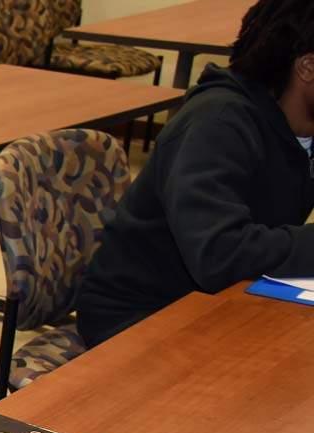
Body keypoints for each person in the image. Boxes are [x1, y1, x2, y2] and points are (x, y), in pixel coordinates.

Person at [77, 0, 314, 347]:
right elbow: (220, 253)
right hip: (140, 314)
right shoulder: (215, 124)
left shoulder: (301, 122)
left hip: (225, 299)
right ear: (307, 67)